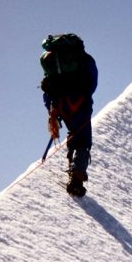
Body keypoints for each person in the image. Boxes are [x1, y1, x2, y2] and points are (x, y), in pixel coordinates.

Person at [39, 33, 98, 197]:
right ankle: (76, 180)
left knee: (73, 134)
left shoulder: (52, 65)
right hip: (80, 103)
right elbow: (92, 83)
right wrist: (84, 97)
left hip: (60, 105)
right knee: (83, 141)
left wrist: (52, 112)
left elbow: (47, 91)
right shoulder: (86, 60)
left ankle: (73, 169)